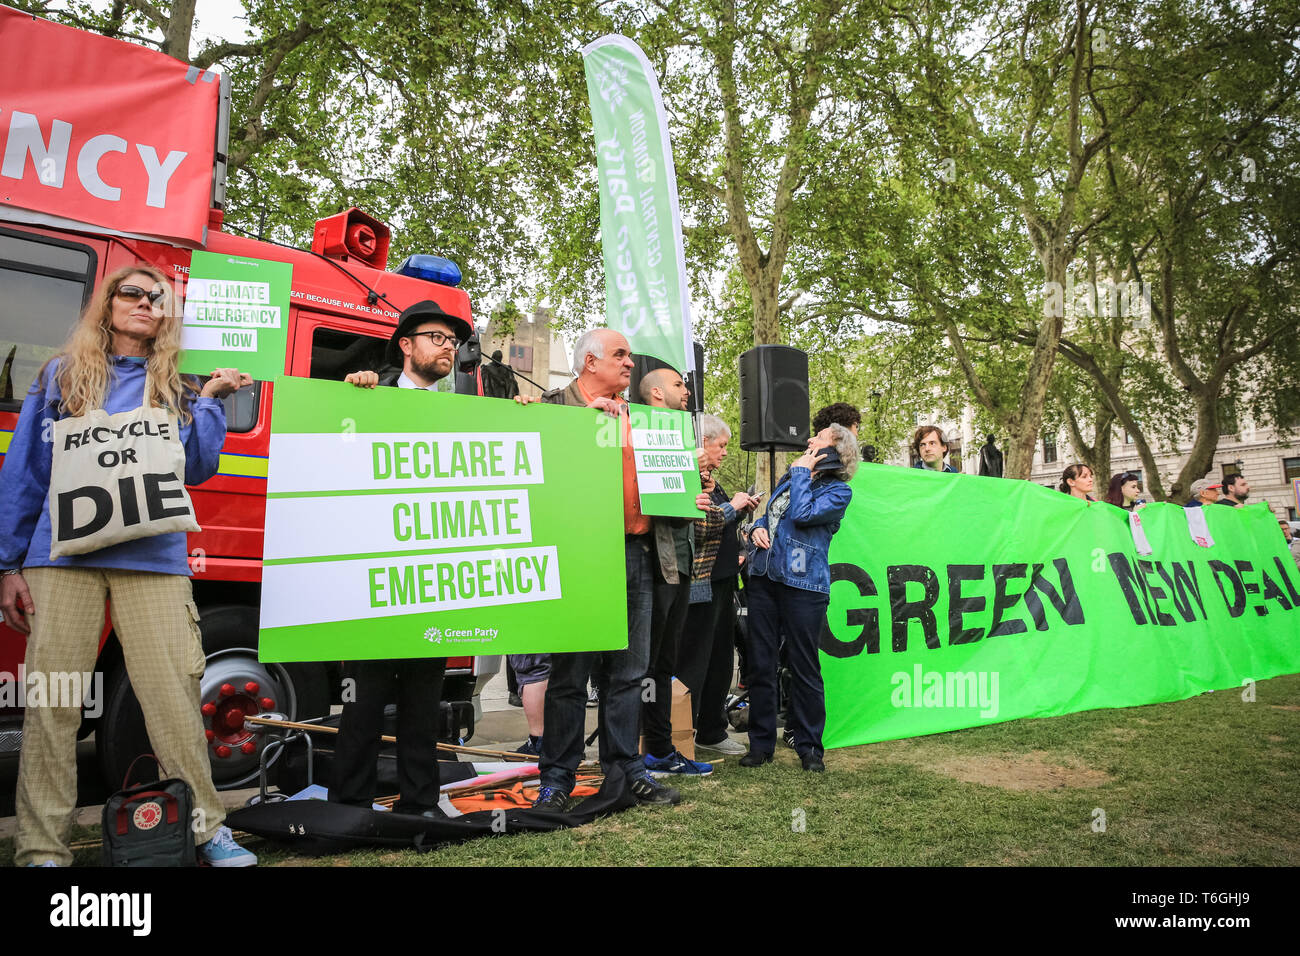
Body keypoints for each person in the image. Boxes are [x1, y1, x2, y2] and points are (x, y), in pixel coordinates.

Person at [0, 264, 256, 866]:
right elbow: (26, 472)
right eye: (131, 293)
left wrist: (213, 400)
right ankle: (42, 848)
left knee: (173, 698)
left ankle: (206, 827)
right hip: (61, 559)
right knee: (53, 702)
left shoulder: (179, 384)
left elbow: (195, 469)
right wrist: (8, 563)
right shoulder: (62, 375)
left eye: (156, 297)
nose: (144, 302)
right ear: (108, 305)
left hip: (153, 559)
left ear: (167, 313)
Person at [337, 301, 539, 809]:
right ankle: (349, 806)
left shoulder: (470, 407)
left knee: (423, 704)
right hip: (377, 583)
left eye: (453, 341)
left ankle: (419, 803)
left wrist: (517, 421)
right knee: (363, 704)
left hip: (431, 585)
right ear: (405, 345)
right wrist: (351, 394)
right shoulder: (369, 394)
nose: (448, 347)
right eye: (436, 338)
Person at [531, 329, 683, 810]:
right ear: (589, 362)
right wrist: (577, 420)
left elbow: (667, 494)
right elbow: (525, 455)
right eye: (620, 355)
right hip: (581, 557)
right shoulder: (553, 405)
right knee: (570, 673)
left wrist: (687, 493)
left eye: (630, 356)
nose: (629, 364)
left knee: (630, 672)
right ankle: (557, 778)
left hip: (638, 554)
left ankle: (625, 770)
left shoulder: (650, 421)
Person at [741, 423, 859, 772]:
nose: (809, 440)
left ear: (834, 451)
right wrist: (755, 527)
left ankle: (809, 747)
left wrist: (800, 473)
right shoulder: (791, 480)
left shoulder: (838, 492)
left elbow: (801, 514)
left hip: (804, 586)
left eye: (819, 438)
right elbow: (771, 516)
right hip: (764, 579)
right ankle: (760, 745)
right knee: (760, 664)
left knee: (803, 665)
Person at [637, 367, 713, 776]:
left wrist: (694, 486)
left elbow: (682, 510)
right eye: (679, 385)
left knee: (664, 665)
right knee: (647, 667)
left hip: (681, 567)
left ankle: (661, 750)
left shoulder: (679, 437)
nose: (687, 392)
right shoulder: (636, 432)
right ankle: (645, 751)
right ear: (656, 394)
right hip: (655, 569)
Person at [677, 415, 756, 756]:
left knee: (721, 658)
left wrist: (742, 516)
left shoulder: (710, 480)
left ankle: (711, 728)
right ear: (703, 442)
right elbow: (699, 526)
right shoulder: (687, 477)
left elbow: (721, 524)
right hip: (701, 582)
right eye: (720, 445)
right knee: (696, 658)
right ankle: (682, 733)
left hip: (722, 581)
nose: (724, 452)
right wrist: (734, 506)